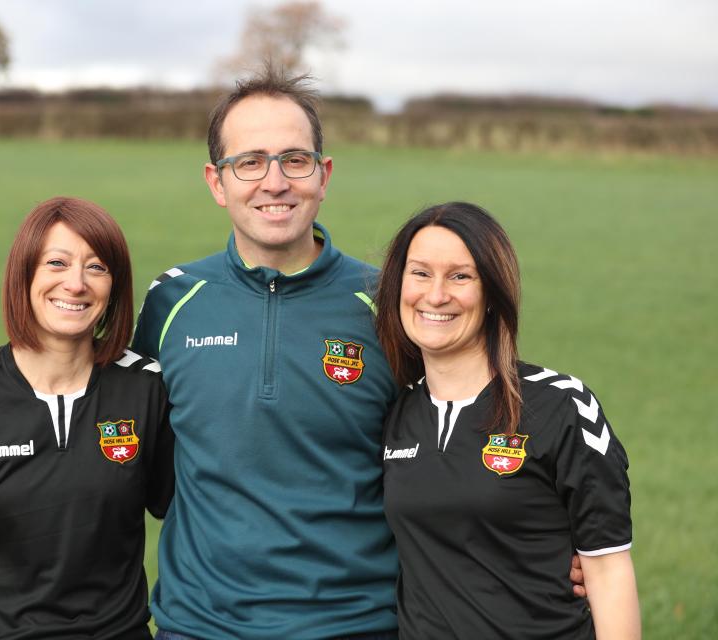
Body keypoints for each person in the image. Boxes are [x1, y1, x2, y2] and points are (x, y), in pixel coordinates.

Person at [132, 68, 401, 639]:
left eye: (294, 160)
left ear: (323, 175)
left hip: (356, 626)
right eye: (250, 162)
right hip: (201, 628)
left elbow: (449, 450)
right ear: (216, 181)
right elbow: (113, 449)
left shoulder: (389, 303)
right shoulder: (173, 301)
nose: (274, 181)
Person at [0, 197, 174, 639]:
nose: (76, 283)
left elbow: (193, 512)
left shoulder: (148, 388)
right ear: (24, 275)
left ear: (115, 286)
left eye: (96, 267)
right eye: (57, 263)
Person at [376, 202, 640, 639]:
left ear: (493, 293)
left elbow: (608, 571)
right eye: (420, 273)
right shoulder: (395, 414)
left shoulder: (561, 406)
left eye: (460, 276)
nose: (436, 295)